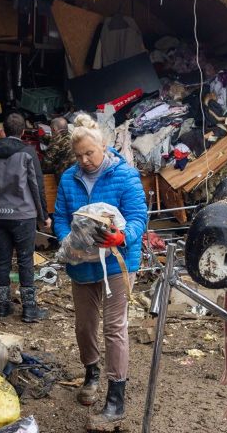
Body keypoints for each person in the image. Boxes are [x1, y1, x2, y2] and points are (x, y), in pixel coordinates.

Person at [53, 114, 147, 431]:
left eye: (90, 153)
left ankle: (116, 396)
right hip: (82, 263)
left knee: (114, 326)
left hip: (117, 263)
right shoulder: (69, 178)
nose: (85, 160)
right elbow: (60, 218)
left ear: (103, 146)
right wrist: (70, 239)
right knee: (84, 325)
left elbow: (138, 217)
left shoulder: (126, 176)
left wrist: (124, 236)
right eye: (79, 155)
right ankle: (91, 374)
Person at [0, 112, 50, 323]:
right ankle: (29, 309)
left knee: (2, 261)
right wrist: (43, 215)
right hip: (24, 215)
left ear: (3, 129)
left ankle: (3, 306)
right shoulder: (27, 153)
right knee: (25, 261)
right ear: (22, 132)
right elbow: (36, 186)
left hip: (0, 215)